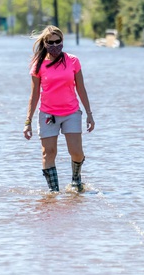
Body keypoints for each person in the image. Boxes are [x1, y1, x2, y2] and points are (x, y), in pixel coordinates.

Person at [23, 26, 95, 192]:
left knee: (76, 152)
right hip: (48, 114)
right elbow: (34, 96)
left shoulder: (73, 61)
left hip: (71, 113)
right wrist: (28, 122)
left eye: (58, 41)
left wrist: (89, 114)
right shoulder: (38, 65)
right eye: (51, 42)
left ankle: (76, 180)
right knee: (49, 153)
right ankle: (53, 192)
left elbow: (81, 89)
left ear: (62, 41)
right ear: (45, 43)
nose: (55, 45)